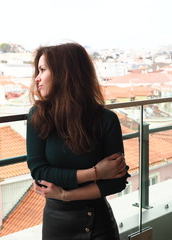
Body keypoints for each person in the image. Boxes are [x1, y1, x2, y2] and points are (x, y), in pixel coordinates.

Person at [26, 42, 130, 240]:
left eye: (42, 70)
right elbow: (39, 172)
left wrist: (65, 195)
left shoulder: (106, 119)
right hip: (56, 224)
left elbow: (117, 182)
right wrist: (95, 173)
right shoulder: (38, 116)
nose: (37, 78)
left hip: (98, 224)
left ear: (64, 73)